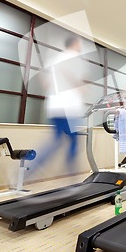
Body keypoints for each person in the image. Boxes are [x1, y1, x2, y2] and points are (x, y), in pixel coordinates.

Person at [30, 35, 85, 176]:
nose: (80, 47)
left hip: (54, 106)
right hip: (69, 107)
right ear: (74, 44)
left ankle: (28, 170)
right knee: (71, 141)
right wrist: (79, 86)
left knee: (58, 140)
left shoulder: (54, 59)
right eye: (79, 44)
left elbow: (44, 81)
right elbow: (75, 78)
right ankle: (72, 176)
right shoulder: (74, 57)